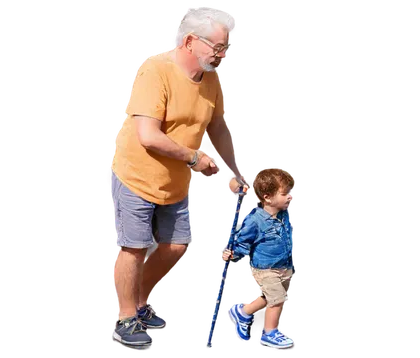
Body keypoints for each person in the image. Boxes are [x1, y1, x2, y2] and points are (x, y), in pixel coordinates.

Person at [110, 6, 247, 351]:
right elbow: (148, 135)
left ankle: (140, 300)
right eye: (217, 48)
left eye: (226, 48)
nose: (223, 55)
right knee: (134, 247)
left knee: (177, 245)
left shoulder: (211, 79)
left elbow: (217, 126)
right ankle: (124, 318)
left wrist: (234, 170)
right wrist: (195, 157)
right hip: (137, 175)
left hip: (174, 180)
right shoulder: (157, 69)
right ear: (189, 41)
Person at [221, 167, 297, 350]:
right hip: (266, 268)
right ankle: (269, 333)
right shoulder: (254, 219)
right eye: (285, 194)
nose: (290, 197)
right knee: (277, 299)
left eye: (290, 193)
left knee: (271, 296)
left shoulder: (283, 213)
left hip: (284, 264)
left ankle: (241, 311)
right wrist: (232, 253)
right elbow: (242, 241)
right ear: (267, 197)